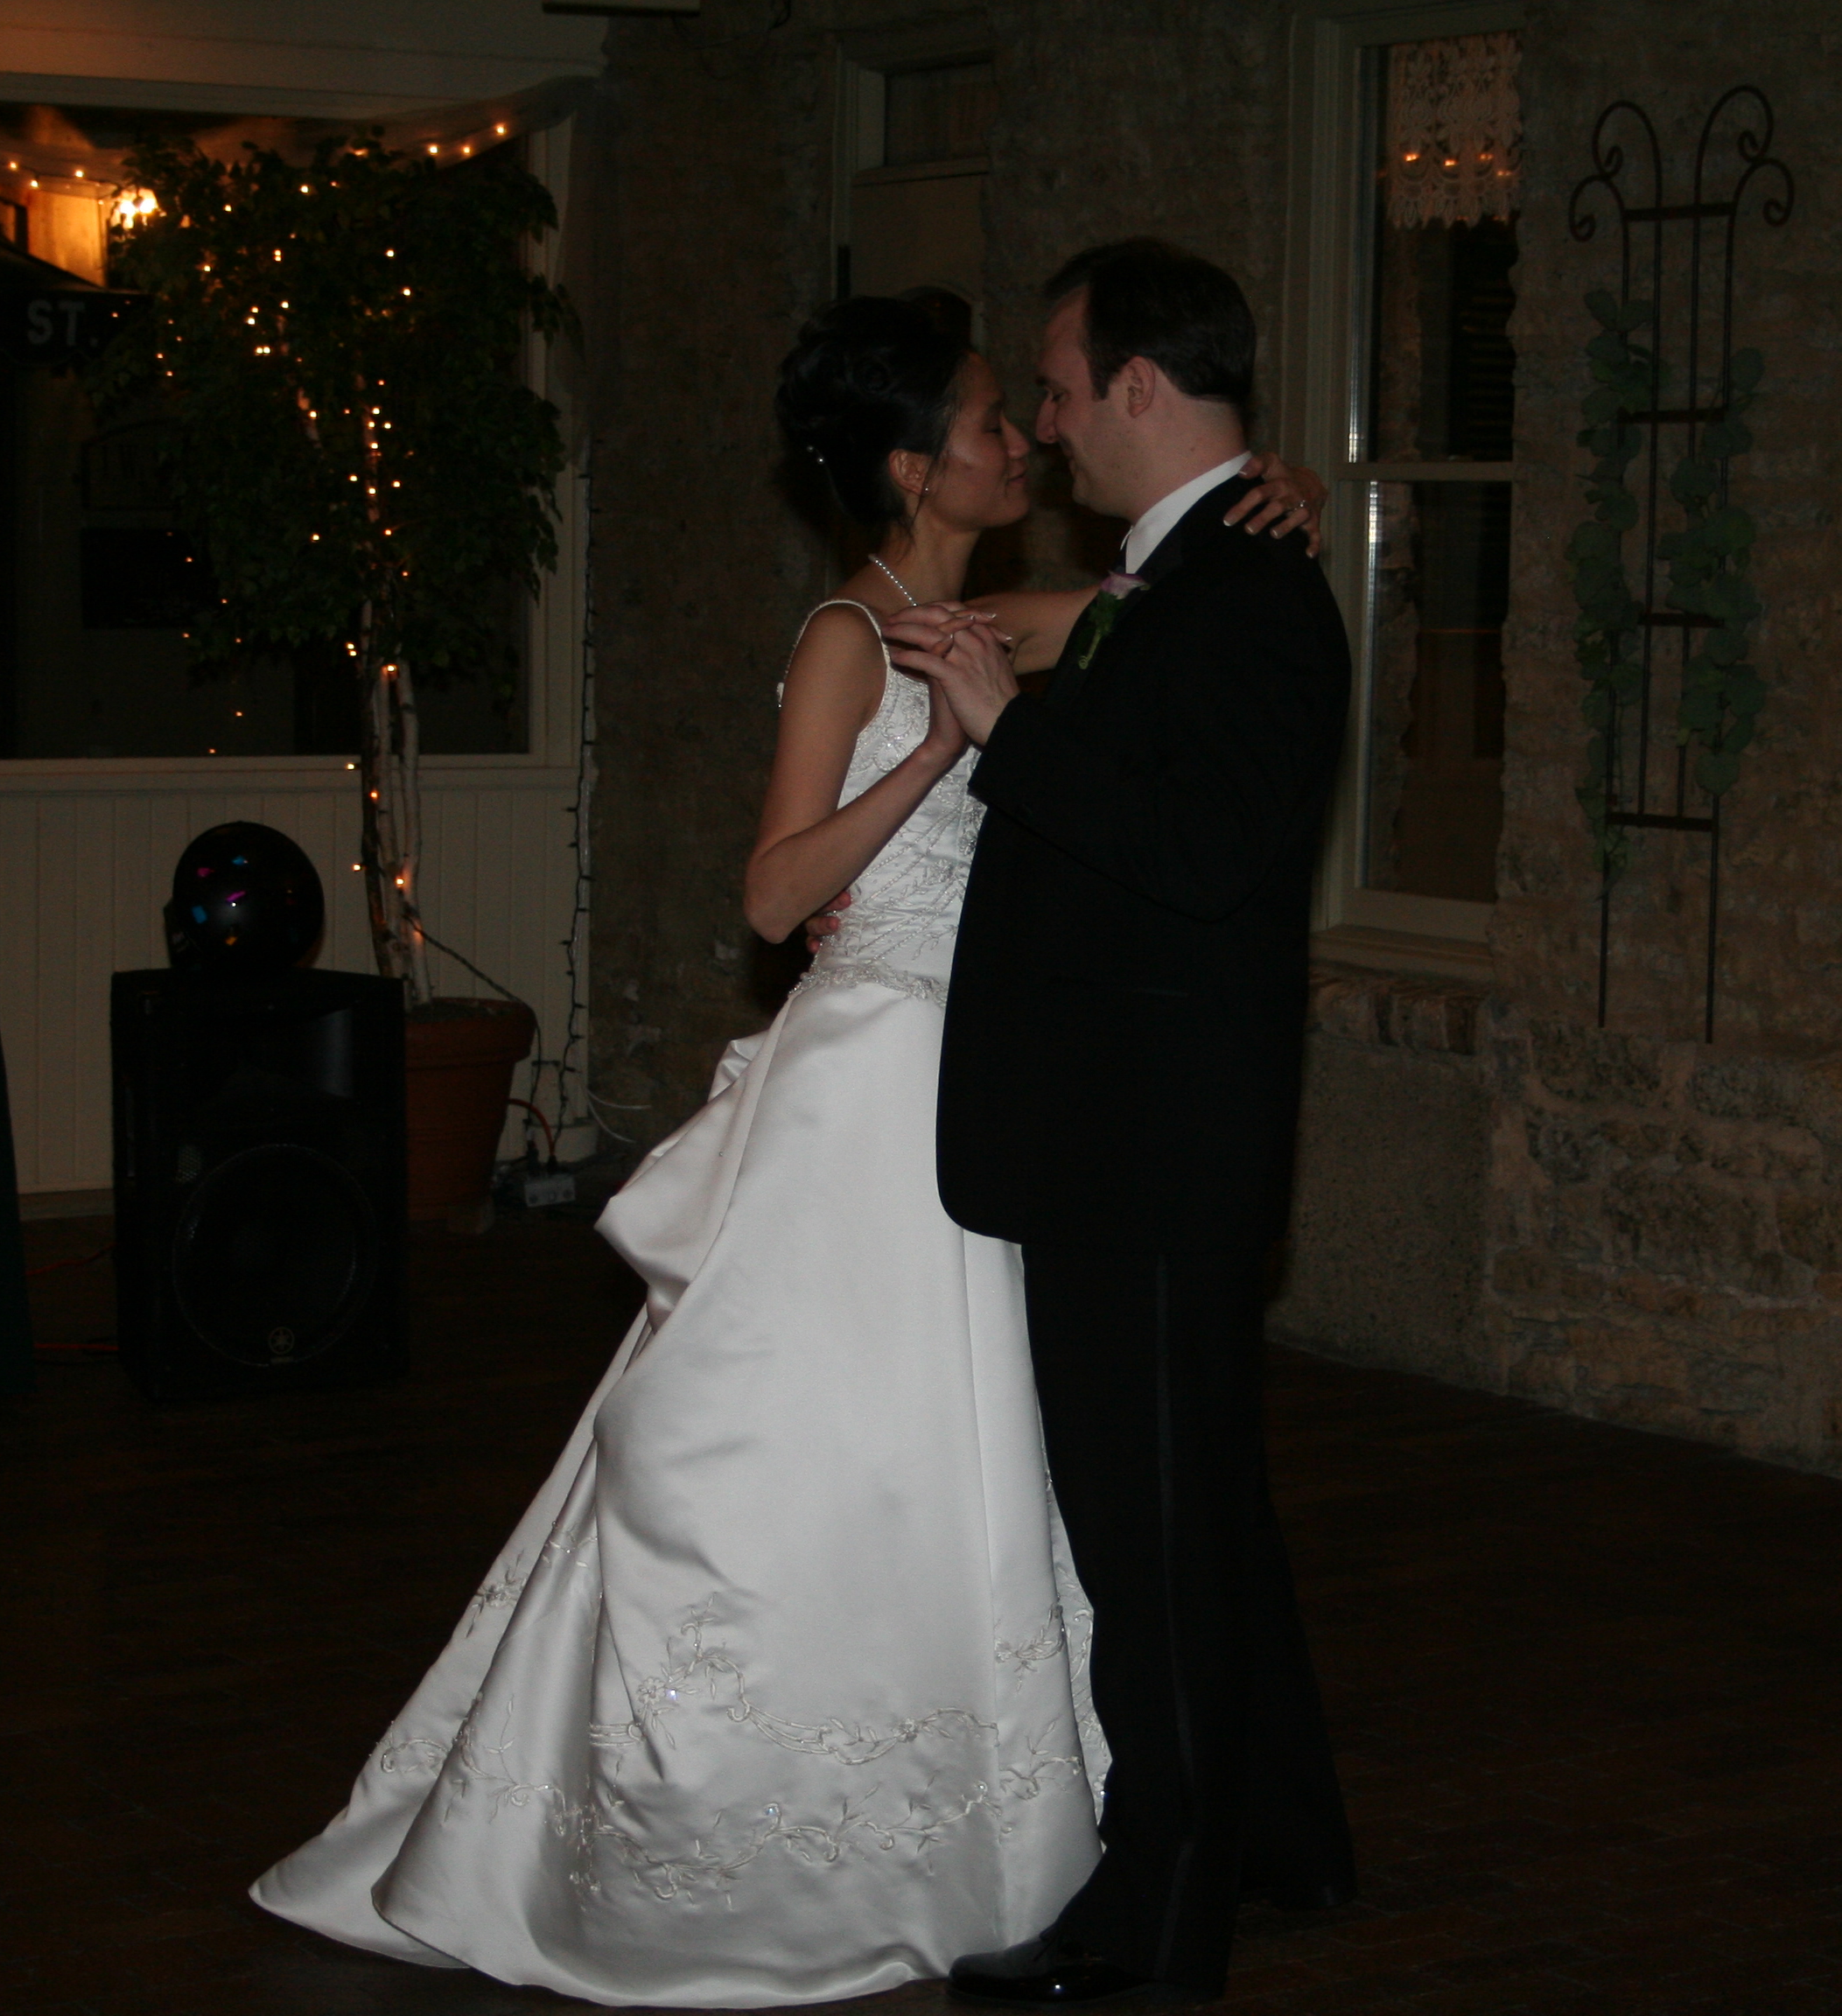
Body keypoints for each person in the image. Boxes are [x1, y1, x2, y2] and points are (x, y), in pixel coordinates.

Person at [248, 294, 1325, 2008]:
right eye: (989, 422)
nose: (1023, 442)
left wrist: (1273, 490)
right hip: (871, 1081)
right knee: (810, 1447)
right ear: (911, 465)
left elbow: (1161, 606)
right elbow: (770, 894)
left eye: (1026, 410)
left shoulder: (996, 618)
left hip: (1003, 1084)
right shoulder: (846, 636)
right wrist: (943, 754)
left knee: (991, 1464)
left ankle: (1033, 1819)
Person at [886, 241, 1358, 2008]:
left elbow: (1201, 854)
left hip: (1152, 1155)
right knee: (1198, 1516)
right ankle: (1283, 1839)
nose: (1052, 421)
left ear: (1142, 387)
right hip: (1132, 1142)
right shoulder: (1191, 572)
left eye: (1065, 385)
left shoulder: (1247, 597)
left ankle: (1159, 1933)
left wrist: (1004, 731)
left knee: (1154, 1556)